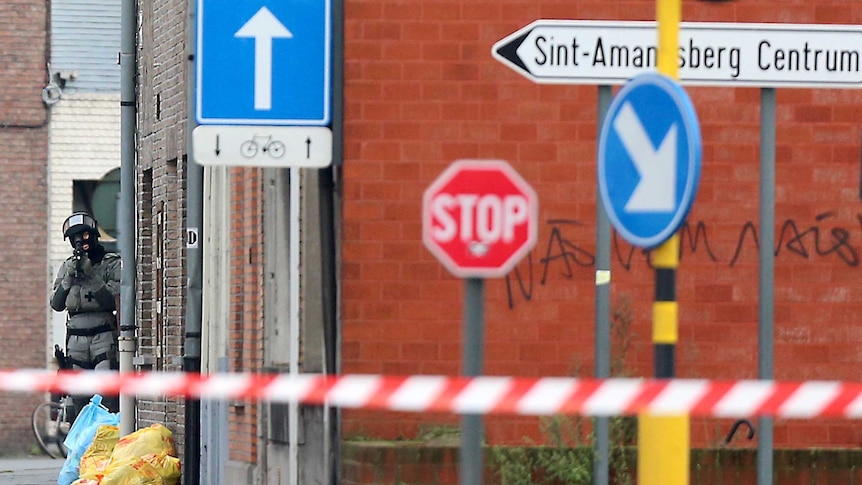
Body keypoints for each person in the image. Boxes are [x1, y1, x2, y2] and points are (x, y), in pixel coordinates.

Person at [50, 212, 121, 413]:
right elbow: (56, 304)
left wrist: (91, 275)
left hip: (103, 334)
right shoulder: (67, 267)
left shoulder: (110, 263)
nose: (81, 242)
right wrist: (68, 280)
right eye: (75, 238)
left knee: (106, 391)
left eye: (85, 236)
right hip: (76, 338)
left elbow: (112, 301)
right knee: (78, 395)